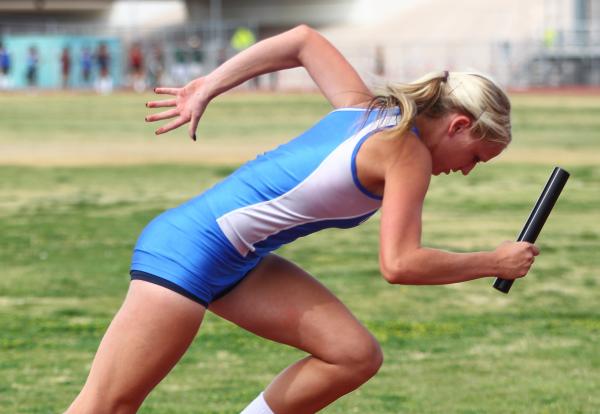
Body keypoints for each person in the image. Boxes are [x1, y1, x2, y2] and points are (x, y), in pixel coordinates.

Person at [66, 25, 539, 414]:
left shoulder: (366, 110)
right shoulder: (406, 152)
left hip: (240, 260)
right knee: (107, 406)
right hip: (187, 251)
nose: (467, 170)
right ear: (458, 125)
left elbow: (303, 41)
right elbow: (400, 264)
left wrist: (210, 84)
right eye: (476, 155)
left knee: (353, 355)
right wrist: (492, 262)